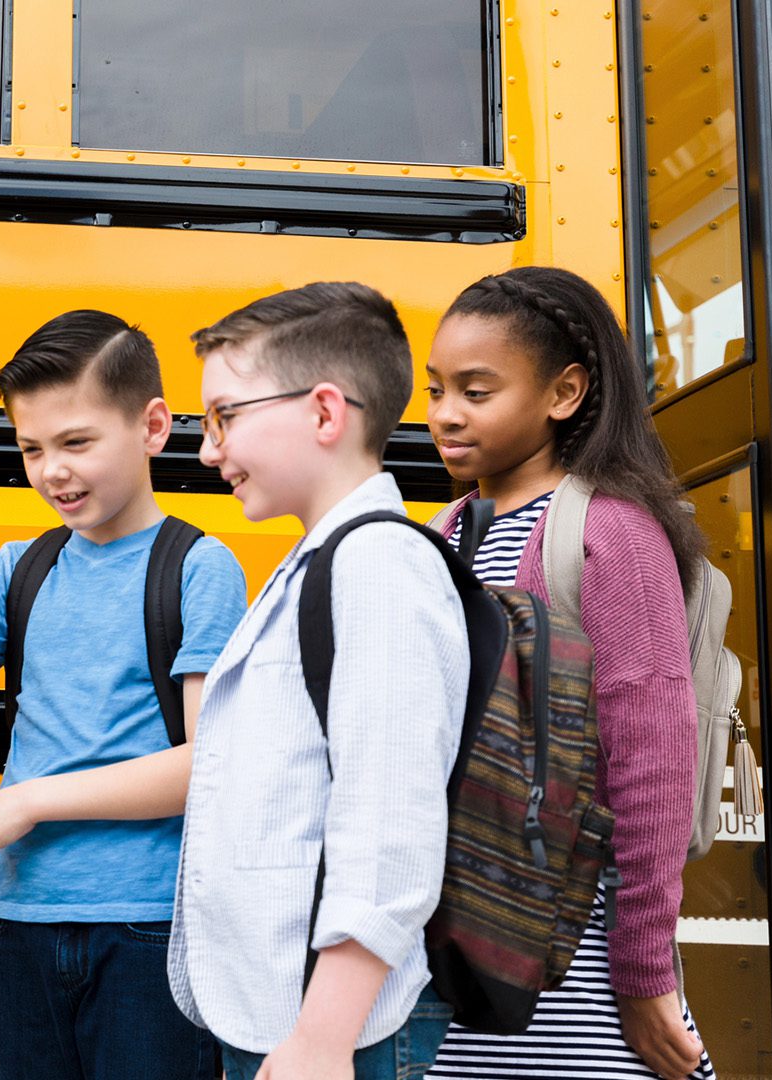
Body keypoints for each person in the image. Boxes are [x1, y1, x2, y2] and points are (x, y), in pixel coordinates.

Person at [0, 310, 247, 1079]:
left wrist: (29, 802)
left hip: (148, 928)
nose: (52, 470)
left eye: (76, 443)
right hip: (18, 923)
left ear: (153, 425)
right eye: (32, 448)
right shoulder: (18, 567)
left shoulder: (199, 567)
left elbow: (208, 764)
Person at [422, 266, 717, 1080]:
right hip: (454, 941)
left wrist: (645, 973)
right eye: (436, 387)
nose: (445, 413)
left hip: (572, 960)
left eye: (476, 392)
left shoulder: (611, 535)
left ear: (564, 392)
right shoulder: (443, 531)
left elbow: (653, 764)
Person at [170, 282, 469, 1080]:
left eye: (226, 416)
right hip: (292, 1017)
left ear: (325, 413)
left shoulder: (375, 568)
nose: (208, 450)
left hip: (341, 1035)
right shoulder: (325, 563)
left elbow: (388, 819)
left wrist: (324, 1035)